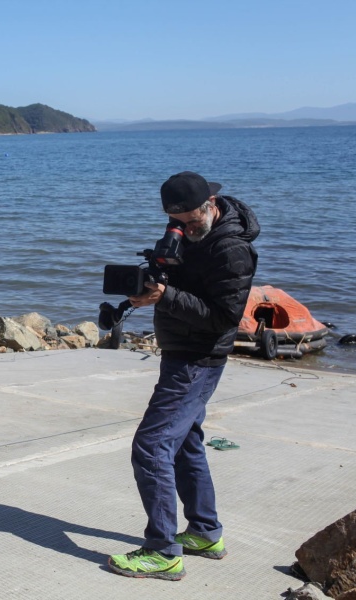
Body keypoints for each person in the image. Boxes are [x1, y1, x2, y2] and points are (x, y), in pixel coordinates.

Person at [108, 171, 260, 580]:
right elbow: (182, 282)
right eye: (176, 223)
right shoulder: (183, 231)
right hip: (180, 351)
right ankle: (204, 533)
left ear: (211, 206)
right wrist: (152, 285)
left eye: (191, 222)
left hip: (198, 359)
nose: (185, 230)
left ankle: (162, 552)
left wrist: (166, 297)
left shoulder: (231, 250)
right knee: (185, 443)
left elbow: (223, 318)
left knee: (151, 445)